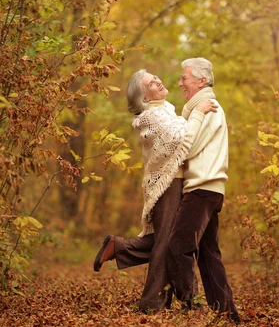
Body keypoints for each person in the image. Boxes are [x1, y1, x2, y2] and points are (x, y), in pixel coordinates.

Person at [93, 69, 216, 312]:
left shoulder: (166, 110)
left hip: (179, 181)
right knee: (167, 243)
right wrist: (198, 114)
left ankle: (118, 247)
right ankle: (154, 303)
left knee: (174, 240)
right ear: (145, 97)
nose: (159, 80)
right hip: (166, 185)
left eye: (156, 77)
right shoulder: (149, 118)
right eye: (151, 82)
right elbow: (180, 139)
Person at [166, 57, 240, 324]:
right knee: (209, 255)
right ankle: (227, 313)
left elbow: (188, 146)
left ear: (201, 80)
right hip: (210, 188)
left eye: (184, 78)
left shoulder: (208, 109)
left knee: (178, 246)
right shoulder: (200, 107)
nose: (180, 82)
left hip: (202, 188)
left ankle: (191, 309)